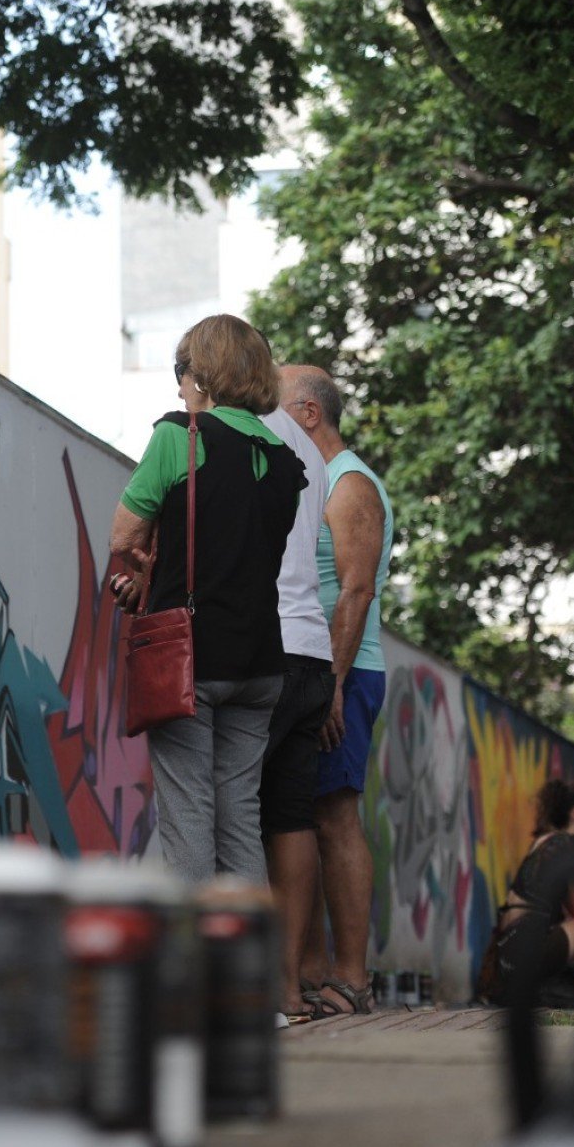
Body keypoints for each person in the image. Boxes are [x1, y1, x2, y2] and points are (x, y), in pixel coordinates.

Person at [108, 315, 307, 886]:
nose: (179, 386)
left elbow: (123, 537)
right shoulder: (285, 464)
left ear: (205, 374)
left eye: (183, 372)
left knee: (190, 814)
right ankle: (243, 968)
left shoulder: (180, 434)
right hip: (262, 662)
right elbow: (238, 548)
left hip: (189, 658)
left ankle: (200, 972)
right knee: (241, 817)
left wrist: (149, 567)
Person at [282, 368, 393, 1018]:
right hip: (320, 672)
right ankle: (318, 970)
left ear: (309, 414)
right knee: (309, 817)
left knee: (336, 817)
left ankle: (351, 977)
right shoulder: (316, 482)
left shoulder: (351, 485)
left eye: (276, 406)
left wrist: (332, 684)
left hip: (345, 674)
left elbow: (357, 591)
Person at [258, 371, 333, 1018]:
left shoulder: (246, 431)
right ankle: (286, 989)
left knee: (232, 811)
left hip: (265, 644)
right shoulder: (312, 453)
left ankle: (242, 988)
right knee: (292, 816)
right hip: (312, 651)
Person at [477, 780, 574, 1007]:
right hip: (529, 951)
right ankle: (565, 984)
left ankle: (559, 982)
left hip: (507, 954)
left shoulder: (544, 840)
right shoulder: (567, 844)